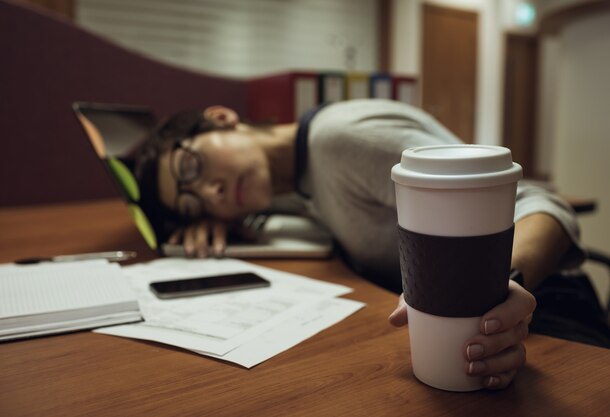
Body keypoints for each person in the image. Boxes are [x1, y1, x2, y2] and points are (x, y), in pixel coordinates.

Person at [134, 99, 585, 390]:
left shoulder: (342, 142)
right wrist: (220, 227)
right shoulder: (293, 183)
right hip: (457, 327)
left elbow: (539, 201)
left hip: (541, 307)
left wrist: (501, 287)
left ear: (221, 118)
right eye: (194, 205)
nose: (210, 192)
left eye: (191, 168)